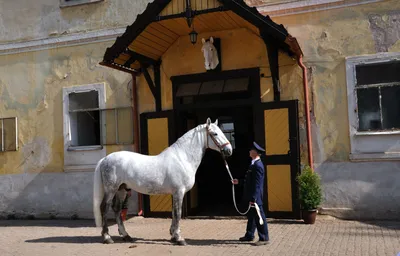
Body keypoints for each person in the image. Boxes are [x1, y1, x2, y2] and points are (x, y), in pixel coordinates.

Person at [232, 141, 269, 246]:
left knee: (259, 217)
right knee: (252, 216)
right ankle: (249, 235)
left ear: (255, 152)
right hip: (251, 195)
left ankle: (264, 238)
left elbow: (257, 184)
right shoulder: (253, 164)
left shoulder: (258, 166)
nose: (249, 151)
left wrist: (254, 198)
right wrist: (238, 181)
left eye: (251, 150)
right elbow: (249, 181)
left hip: (255, 197)